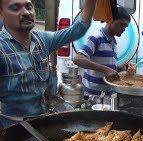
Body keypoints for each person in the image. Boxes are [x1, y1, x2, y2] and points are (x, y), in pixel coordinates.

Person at [0, 0, 97, 128]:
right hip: (13, 128)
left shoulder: (43, 40)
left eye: (29, 7)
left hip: (44, 122)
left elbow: (77, 30)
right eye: (15, 8)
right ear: (1, 14)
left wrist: (91, 2)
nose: (26, 12)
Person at [73, 7, 130, 96]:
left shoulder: (113, 42)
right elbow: (78, 59)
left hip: (106, 95)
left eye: (126, 27)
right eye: (122, 25)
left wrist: (119, 68)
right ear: (110, 19)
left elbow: (107, 67)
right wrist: (106, 70)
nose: (124, 29)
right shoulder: (96, 38)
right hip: (92, 96)